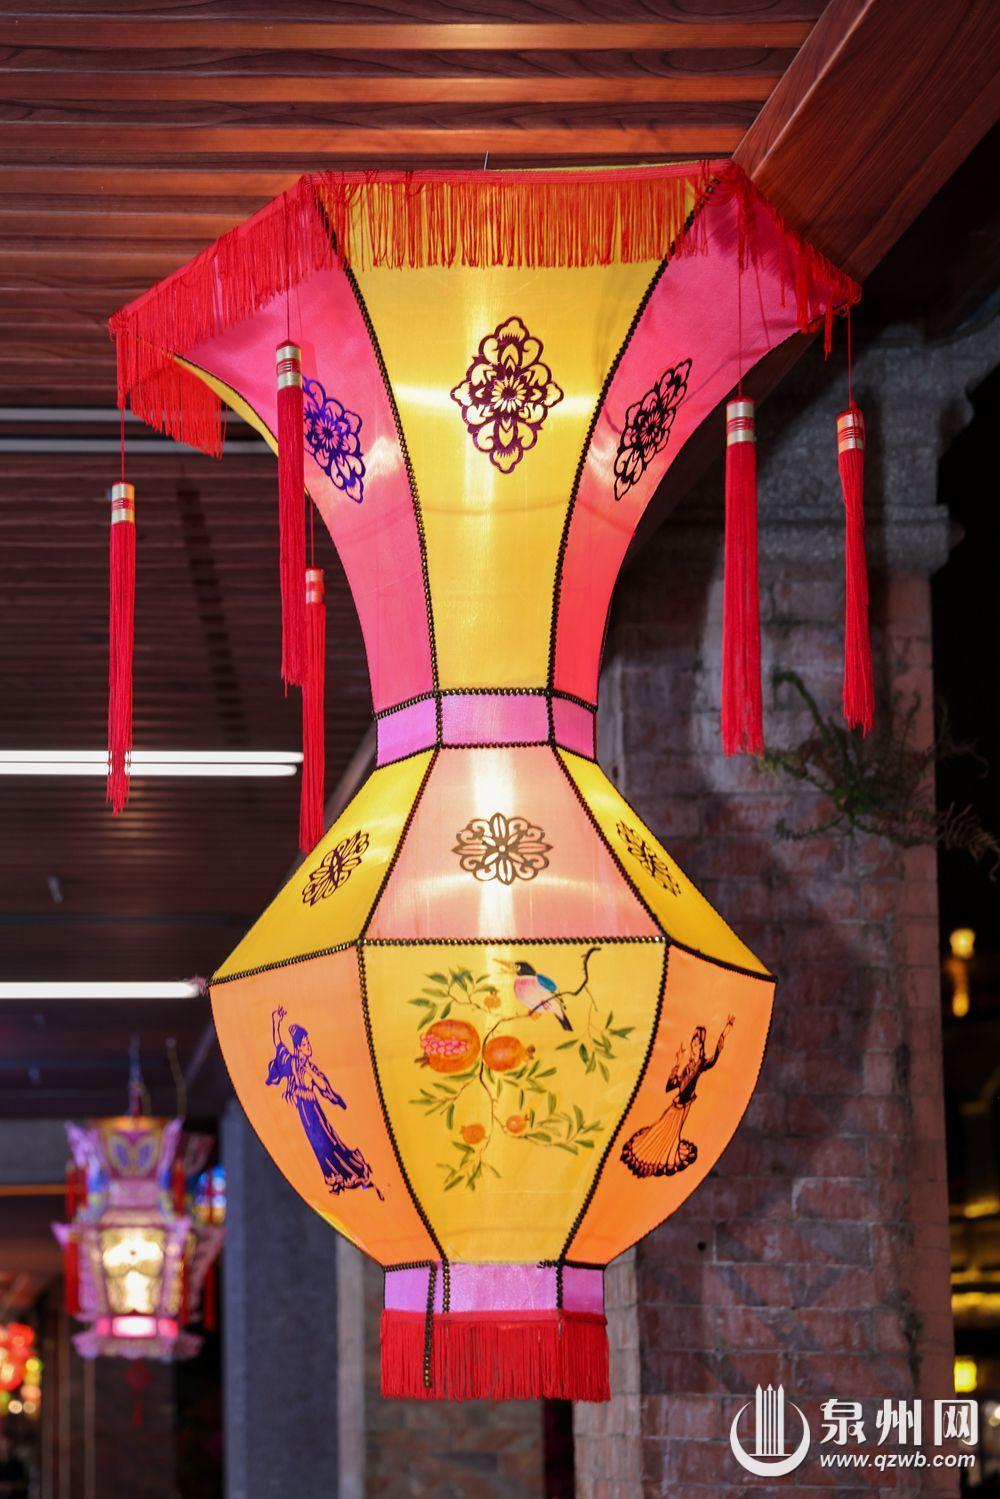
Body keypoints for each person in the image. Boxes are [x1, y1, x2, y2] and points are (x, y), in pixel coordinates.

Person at [266, 1007, 382, 1199]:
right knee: (318, 1147)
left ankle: (351, 1173)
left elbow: (322, 1085)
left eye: (308, 1042)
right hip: (304, 1113)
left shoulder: (309, 1067)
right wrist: (275, 1022)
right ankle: (334, 1179)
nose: (308, 1046)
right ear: (298, 1047)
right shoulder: (292, 1063)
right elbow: (279, 1046)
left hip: (313, 1111)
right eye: (304, 1044)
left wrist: (309, 1072)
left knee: (328, 1142)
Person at [621, 1016, 734, 1178]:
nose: (694, 1047)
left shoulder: (701, 1064)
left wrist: (724, 1032)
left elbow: (715, 1058)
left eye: (697, 1044)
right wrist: (678, 1063)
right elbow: (671, 1085)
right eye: (693, 1044)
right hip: (677, 1102)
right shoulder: (688, 1066)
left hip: (684, 1104)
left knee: (671, 1132)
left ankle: (661, 1155)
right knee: (662, 1127)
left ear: (702, 1046)